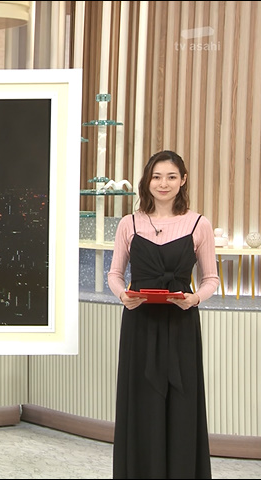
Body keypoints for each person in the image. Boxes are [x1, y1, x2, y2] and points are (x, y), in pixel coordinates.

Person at [107, 150, 219, 478]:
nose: (163, 183)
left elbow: (211, 279)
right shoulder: (129, 223)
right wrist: (122, 295)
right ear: (147, 181)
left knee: (182, 401)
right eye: (156, 177)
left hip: (181, 323)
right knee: (141, 400)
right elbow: (115, 274)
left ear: (183, 180)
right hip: (139, 323)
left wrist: (194, 298)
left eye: (171, 177)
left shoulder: (199, 224)